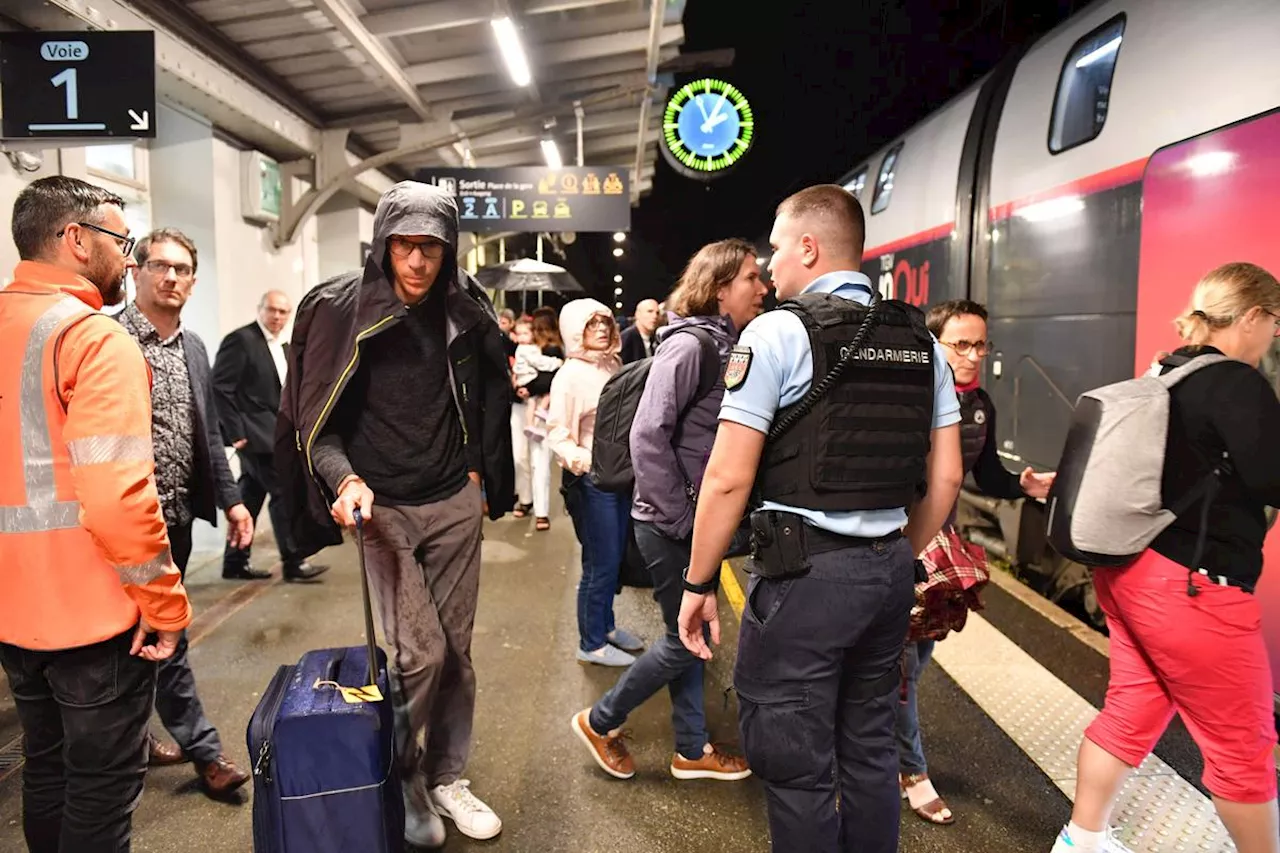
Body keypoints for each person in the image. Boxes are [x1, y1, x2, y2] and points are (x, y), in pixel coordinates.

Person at [677, 184, 964, 853]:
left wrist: (697, 584)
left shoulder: (778, 332)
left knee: (798, 763)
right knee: (868, 749)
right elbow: (945, 474)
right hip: (889, 573)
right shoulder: (921, 339)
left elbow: (726, 477)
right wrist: (894, 549)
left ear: (808, 246)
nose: (772, 266)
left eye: (777, 249)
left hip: (805, 579)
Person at [275, 180, 515, 849]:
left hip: (453, 503)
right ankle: (403, 771)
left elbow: (490, 392)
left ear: (448, 250)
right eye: (406, 245)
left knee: (458, 653)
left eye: (431, 247)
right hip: (380, 509)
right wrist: (344, 480)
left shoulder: (463, 308)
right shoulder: (337, 311)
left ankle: (447, 774)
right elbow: (313, 424)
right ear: (383, 246)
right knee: (420, 651)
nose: (418, 261)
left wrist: (478, 474)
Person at [1051, 262, 1280, 853]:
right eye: (1274, 321)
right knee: (1242, 744)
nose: (1274, 335)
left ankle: (1083, 839)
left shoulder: (1172, 369)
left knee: (1133, 709)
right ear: (1252, 316)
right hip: (1194, 589)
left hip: (1133, 572)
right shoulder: (1236, 380)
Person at [0, 175, 192, 852]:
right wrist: (166, 606)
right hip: (93, 619)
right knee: (102, 792)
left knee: (46, 768)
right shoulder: (92, 339)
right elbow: (115, 498)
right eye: (121, 240)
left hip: (13, 618)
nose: (130, 257)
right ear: (76, 240)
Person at [571, 238, 767, 781]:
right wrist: (683, 515)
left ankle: (690, 748)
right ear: (721, 285)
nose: (763, 287)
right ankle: (600, 718)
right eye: (752, 277)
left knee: (686, 635)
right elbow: (647, 434)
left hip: (687, 520)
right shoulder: (692, 347)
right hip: (671, 523)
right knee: (688, 638)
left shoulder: (723, 342)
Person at [895, 298, 1057, 825]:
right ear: (935, 345)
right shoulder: (908, 396)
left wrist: (1022, 486)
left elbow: (984, 474)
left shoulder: (979, 402)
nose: (973, 355)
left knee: (912, 664)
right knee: (902, 668)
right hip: (897, 540)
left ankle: (885, 756)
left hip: (939, 543)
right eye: (960, 344)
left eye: (980, 344)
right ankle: (911, 772)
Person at [117, 227, 255, 798]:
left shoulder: (194, 347)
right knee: (146, 637)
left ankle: (142, 740)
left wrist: (233, 500)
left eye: (182, 269)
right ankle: (203, 754)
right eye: (160, 266)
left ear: (193, 281)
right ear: (136, 271)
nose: (171, 277)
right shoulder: (108, 339)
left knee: (157, 633)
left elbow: (210, 432)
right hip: (119, 523)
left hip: (171, 519)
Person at [546, 299, 646, 666]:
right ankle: (590, 643)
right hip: (593, 483)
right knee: (599, 563)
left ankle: (604, 626)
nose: (602, 329)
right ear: (575, 331)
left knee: (612, 557)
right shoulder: (569, 377)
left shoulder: (613, 364)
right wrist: (588, 464)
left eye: (605, 322)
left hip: (619, 479)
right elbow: (558, 434)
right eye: (592, 325)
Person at [212, 290, 326, 581]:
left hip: (274, 433)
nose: (277, 317)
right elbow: (220, 388)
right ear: (260, 309)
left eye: (283, 312)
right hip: (254, 436)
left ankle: (235, 562)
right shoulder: (241, 340)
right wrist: (235, 433)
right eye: (272, 310)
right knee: (283, 492)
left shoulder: (284, 346)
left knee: (250, 494)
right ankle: (293, 562)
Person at [511, 309, 564, 531]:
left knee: (539, 460)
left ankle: (541, 511)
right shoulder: (523, 349)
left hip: (542, 410)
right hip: (520, 407)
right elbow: (514, 374)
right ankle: (525, 499)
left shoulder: (552, 351)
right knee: (520, 457)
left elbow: (551, 380)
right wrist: (516, 386)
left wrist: (526, 387)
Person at [510, 316, 563, 441]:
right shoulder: (529, 349)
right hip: (529, 379)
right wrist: (557, 362)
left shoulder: (523, 348)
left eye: (525, 333)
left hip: (524, 382)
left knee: (531, 402)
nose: (522, 337)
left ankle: (531, 424)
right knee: (541, 397)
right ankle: (541, 411)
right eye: (519, 334)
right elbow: (540, 363)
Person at [621, 297, 661, 363]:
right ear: (637, 314)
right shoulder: (626, 338)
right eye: (650, 311)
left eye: (657, 313)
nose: (655, 316)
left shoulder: (655, 339)